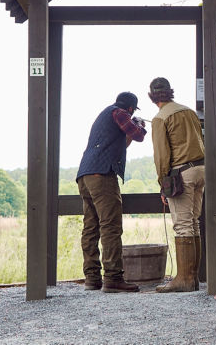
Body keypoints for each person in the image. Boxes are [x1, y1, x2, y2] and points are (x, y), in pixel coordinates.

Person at [75, 91, 147, 293]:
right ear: (131, 109)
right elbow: (138, 136)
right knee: (111, 226)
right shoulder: (119, 113)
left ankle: (92, 278)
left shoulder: (105, 116)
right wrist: (140, 125)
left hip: (85, 175)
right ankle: (113, 277)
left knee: (91, 228)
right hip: (102, 175)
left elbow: (123, 142)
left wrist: (133, 128)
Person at [148, 77, 205, 293]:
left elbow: (162, 156)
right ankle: (193, 279)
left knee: (182, 225)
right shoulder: (189, 111)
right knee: (193, 222)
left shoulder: (160, 118)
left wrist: (164, 183)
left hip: (182, 174)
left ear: (152, 97)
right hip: (201, 169)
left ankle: (184, 279)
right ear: (170, 92)